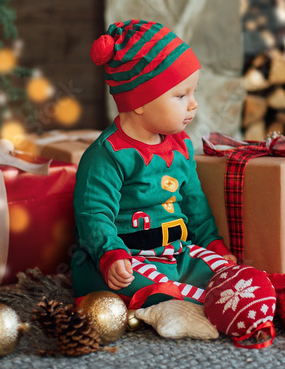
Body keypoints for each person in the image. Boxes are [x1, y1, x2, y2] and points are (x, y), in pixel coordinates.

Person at [71, 20, 235, 309]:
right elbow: (94, 214)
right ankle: (182, 306)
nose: (193, 104)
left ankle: (213, 295)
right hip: (125, 257)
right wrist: (111, 254)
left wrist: (212, 244)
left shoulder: (181, 146)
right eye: (181, 95)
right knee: (149, 285)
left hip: (175, 251)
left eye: (193, 92)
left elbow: (195, 205)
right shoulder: (108, 154)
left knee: (226, 273)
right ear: (139, 102)